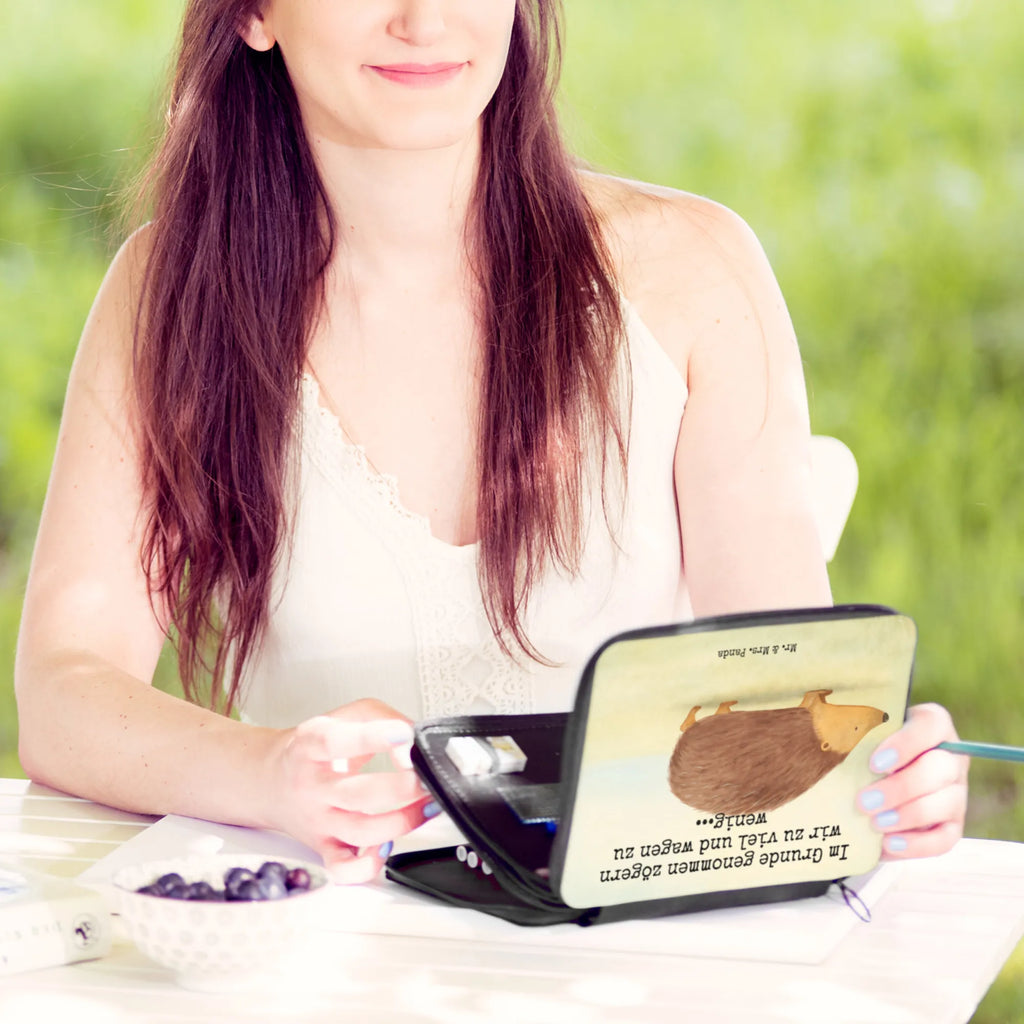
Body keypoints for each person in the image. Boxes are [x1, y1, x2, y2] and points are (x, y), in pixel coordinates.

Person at [14, 0, 967, 883]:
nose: (424, 20)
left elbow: (793, 690)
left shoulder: (692, 275)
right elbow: (63, 696)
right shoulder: (174, 294)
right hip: (320, 941)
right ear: (256, 13)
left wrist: (885, 778)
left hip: (639, 943)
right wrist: (269, 771)